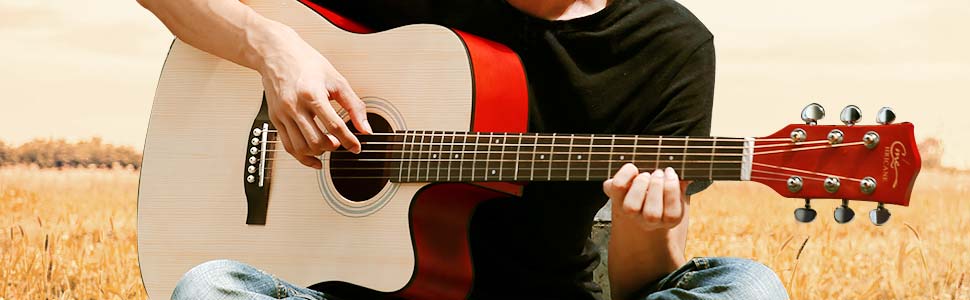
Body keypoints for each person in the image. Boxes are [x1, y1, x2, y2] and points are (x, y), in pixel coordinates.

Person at [138, 0, 789, 299]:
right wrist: (273, 48)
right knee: (210, 288)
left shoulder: (669, 47)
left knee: (748, 288)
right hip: (345, 292)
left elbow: (639, 284)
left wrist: (645, 226)